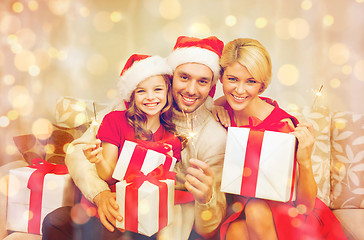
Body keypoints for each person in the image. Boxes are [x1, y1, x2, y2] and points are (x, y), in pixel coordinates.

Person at [42, 36, 227, 240]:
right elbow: (78, 153)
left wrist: (206, 198)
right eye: (184, 77)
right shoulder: (128, 108)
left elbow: (209, 227)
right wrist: (100, 194)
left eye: (202, 81)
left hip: (167, 225)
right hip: (119, 206)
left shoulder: (214, 136)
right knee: (56, 221)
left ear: (211, 85)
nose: (191, 90)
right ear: (171, 77)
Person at [212, 38, 347, 240]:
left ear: (262, 86)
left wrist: (305, 160)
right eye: (233, 79)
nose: (240, 90)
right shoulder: (223, 108)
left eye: (251, 82)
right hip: (244, 210)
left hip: (290, 215)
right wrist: (212, 107)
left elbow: (305, 206)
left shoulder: (282, 127)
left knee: (255, 209)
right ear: (221, 78)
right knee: (235, 231)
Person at [82, 54, 182, 183]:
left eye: (158, 89)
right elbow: (108, 177)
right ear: (132, 95)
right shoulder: (114, 121)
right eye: (141, 91)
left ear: (167, 92)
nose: (150, 97)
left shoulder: (172, 141)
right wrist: (99, 160)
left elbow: (163, 187)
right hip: (116, 197)